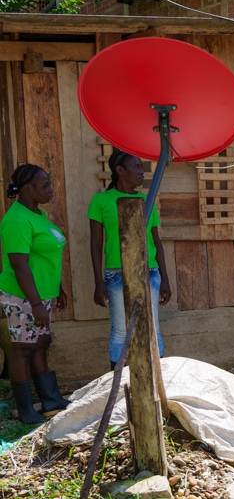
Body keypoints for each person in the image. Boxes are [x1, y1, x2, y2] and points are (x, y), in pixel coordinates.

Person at [0, 164, 70, 423]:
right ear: (27, 189)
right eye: (45, 186)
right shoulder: (17, 219)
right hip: (23, 296)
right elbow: (19, 265)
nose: (51, 189)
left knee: (41, 343)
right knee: (23, 349)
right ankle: (27, 411)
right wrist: (36, 304)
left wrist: (57, 289)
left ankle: (50, 400)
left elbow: (45, 257)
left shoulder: (37, 214)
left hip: (41, 295)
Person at [89, 150, 172, 369]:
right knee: (120, 331)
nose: (141, 172)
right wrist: (99, 282)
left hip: (149, 272)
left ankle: (157, 383)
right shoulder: (101, 201)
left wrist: (165, 279)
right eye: (135, 167)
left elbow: (156, 243)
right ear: (120, 170)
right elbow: (96, 244)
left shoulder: (147, 201)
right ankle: (117, 386)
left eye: (140, 167)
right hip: (116, 274)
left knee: (152, 328)